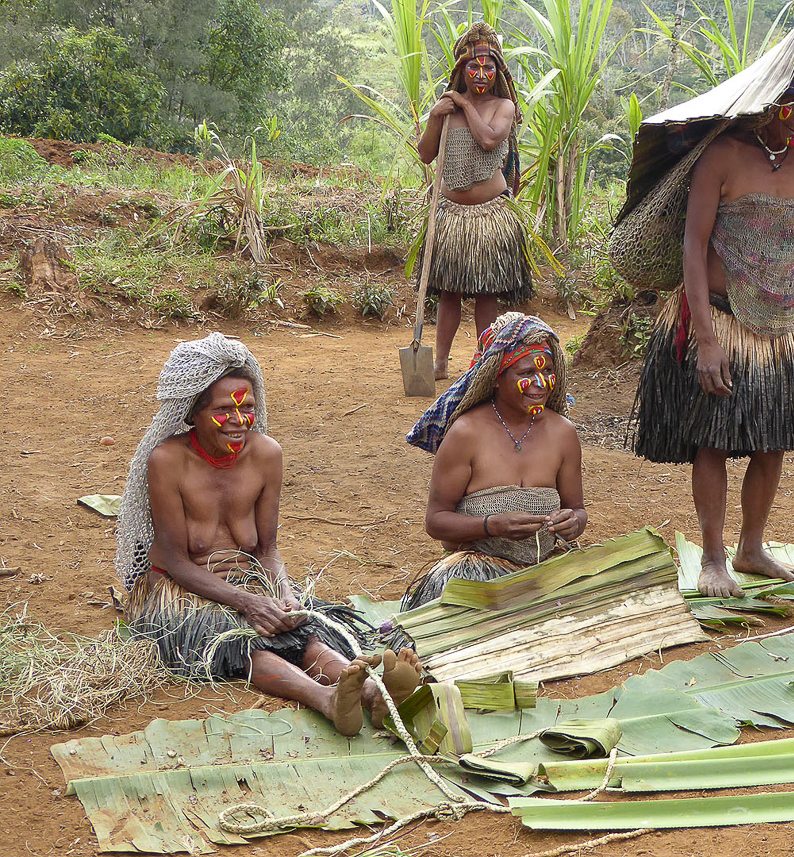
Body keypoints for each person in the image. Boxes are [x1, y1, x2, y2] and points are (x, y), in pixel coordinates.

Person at [115, 333, 421, 736]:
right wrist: (247, 603)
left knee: (302, 633)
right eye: (224, 410)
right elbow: (175, 562)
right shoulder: (168, 461)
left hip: (251, 580)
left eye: (248, 410)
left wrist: (284, 594)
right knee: (241, 642)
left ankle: (366, 691)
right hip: (184, 589)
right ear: (193, 412)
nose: (240, 421)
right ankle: (324, 700)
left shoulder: (266, 454)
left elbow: (267, 548)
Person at [632, 42, 794, 598]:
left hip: (781, 328)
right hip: (723, 322)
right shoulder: (723, 155)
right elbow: (693, 244)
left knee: (771, 441)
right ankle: (711, 557)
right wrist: (704, 337)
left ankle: (751, 548)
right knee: (713, 439)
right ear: (772, 97)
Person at [402, 312, 586, 611]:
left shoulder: (563, 432)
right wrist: (491, 526)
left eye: (548, 370)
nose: (541, 384)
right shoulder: (466, 433)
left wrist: (573, 522)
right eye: (526, 373)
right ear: (496, 378)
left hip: (547, 573)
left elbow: (577, 509)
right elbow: (436, 522)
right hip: (477, 576)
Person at [417, 22, 532, 380]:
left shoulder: (503, 106)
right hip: (451, 214)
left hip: (490, 215)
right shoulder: (444, 110)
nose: (481, 74)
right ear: (461, 70)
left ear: (498, 72)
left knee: (487, 293)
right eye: (473, 67)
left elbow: (489, 139)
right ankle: (438, 364)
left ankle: (487, 359)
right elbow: (425, 154)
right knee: (449, 292)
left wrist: (464, 103)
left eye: (488, 68)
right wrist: (436, 117)